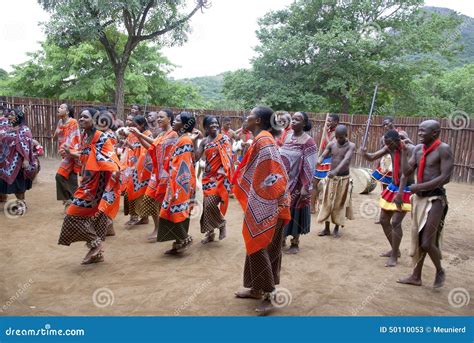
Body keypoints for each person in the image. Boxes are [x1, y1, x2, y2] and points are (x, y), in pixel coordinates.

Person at [233, 106, 291, 314]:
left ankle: (270, 293)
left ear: (257, 120)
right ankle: (257, 288)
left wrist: (261, 206)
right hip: (265, 202)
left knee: (259, 246)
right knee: (257, 245)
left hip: (270, 204)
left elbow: (272, 176)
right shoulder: (261, 140)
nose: (245, 119)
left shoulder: (264, 142)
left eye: (248, 116)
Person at [58, 108, 121, 264]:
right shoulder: (86, 136)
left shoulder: (101, 137)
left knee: (72, 214)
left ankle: (96, 245)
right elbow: (87, 154)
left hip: (98, 185)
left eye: (85, 117)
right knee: (92, 218)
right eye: (80, 117)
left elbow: (110, 157)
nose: (81, 119)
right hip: (87, 181)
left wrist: (114, 171)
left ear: (95, 120)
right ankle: (97, 254)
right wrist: (72, 153)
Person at [397, 120, 453, 288]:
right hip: (419, 199)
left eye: (423, 131)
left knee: (427, 242)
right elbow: (407, 172)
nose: (419, 134)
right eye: (419, 131)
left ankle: (440, 270)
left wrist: (419, 186)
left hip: (435, 199)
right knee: (418, 238)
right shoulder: (418, 150)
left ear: (434, 133)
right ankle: (416, 276)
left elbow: (445, 177)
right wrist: (402, 152)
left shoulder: (443, 149)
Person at [360, 130, 415, 267]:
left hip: (406, 189)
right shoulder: (389, 147)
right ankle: (395, 250)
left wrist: (400, 194)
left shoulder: (409, 150)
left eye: (389, 144)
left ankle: (395, 255)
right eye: (386, 144)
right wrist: (365, 153)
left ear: (397, 141)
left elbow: (405, 173)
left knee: (396, 221)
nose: (387, 147)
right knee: (384, 220)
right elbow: (372, 157)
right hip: (393, 186)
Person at [129, 109, 178, 242]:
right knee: (150, 199)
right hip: (157, 173)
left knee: (161, 201)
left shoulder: (173, 134)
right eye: (158, 117)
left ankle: (162, 229)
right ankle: (158, 228)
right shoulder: (161, 133)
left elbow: (156, 144)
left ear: (170, 119)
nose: (159, 119)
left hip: (166, 173)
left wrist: (140, 134)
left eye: (162, 117)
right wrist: (139, 136)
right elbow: (151, 148)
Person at [157, 112, 197, 255]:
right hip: (176, 181)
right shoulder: (182, 138)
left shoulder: (185, 140)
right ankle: (179, 242)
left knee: (177, 210)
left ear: (185, 124)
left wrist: (177, 187)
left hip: (181, 183)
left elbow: (184, 165)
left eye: (178, 120)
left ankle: (184, 239)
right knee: (172, 210)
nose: (174, 122)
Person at [280, 112, 317, 254]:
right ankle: (281, 239)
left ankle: (295, 243)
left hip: (299, 184)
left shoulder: (308, 141)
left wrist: (305, 187)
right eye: (293, 118)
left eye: (298, 119)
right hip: (285, 182)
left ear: (304, 123)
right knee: (283, 210)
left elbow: (310, 165)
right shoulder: (288, 137)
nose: (294, 121)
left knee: (295, 212)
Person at [195, 115, 233, 244]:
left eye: (216, 123)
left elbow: (229, 158)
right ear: (205, 126)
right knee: (206, 206)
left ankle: (221, 223)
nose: (214, 125)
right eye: (211, 124)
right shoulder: (204, 141)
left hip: (220, 178)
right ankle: (210, 233)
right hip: (207, 178)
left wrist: (223, 173)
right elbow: (195, 158)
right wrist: (195, 140)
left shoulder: (224, 139)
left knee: (210, 203)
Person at [317, 124, 355, 238]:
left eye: (341, 137)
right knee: (328, 202)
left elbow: (346, 159)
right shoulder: (332, 144)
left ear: (346, 135)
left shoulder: (351, 146)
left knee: (339, 203)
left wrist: (336, 171)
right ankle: (327, 228)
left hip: (343, 178)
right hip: (331, 179)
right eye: (337, 137)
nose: (339, 139)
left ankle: (337, 227)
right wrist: (319, 160)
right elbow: (323, 154)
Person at [0, 108, 39, 213]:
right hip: (7, 162)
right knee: (9, 184)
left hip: (19, 162)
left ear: (18, 117)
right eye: (9, 115)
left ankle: (21, 203)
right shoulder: (7, 129)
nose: (9, 116)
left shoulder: (24, 130)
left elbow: (27, 145)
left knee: (19, 184)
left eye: (12, 115)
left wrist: (26, 160)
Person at [123, 115, 153, 226]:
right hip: (137, 168)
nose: (133, 127)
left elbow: (150, 150)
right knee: (131, 192)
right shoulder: (135, 134)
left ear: (141, 125)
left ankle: (141, 217)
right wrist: (130, 145)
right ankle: (136, 216)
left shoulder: (148, 134)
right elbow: (137, 151)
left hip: (145, 169)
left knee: (139, 193)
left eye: (135, 125)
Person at [53, 103, 81, 212]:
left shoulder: (73, 122)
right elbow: (55, 138)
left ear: (68, 111)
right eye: (59, 107)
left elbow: (76, 138)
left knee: (60, 176)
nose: (59, 108)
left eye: (61, 107)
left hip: (72, 153)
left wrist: (70, 151)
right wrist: (57, 132)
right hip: (65, 154)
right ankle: (73, 203)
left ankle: (70, 201)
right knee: (71, 179)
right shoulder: (60, 122)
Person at [311, 113, 339, 214]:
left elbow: (330, 146)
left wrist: (325, 132)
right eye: (327, 121)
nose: (328, 123)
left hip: (330, 160)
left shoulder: (336, 133)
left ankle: (326, 209)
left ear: (336, 122)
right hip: (322, 159)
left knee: (327, 185)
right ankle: (312, 207)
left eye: (330, 121)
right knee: (314, 182)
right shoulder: (328, 131)